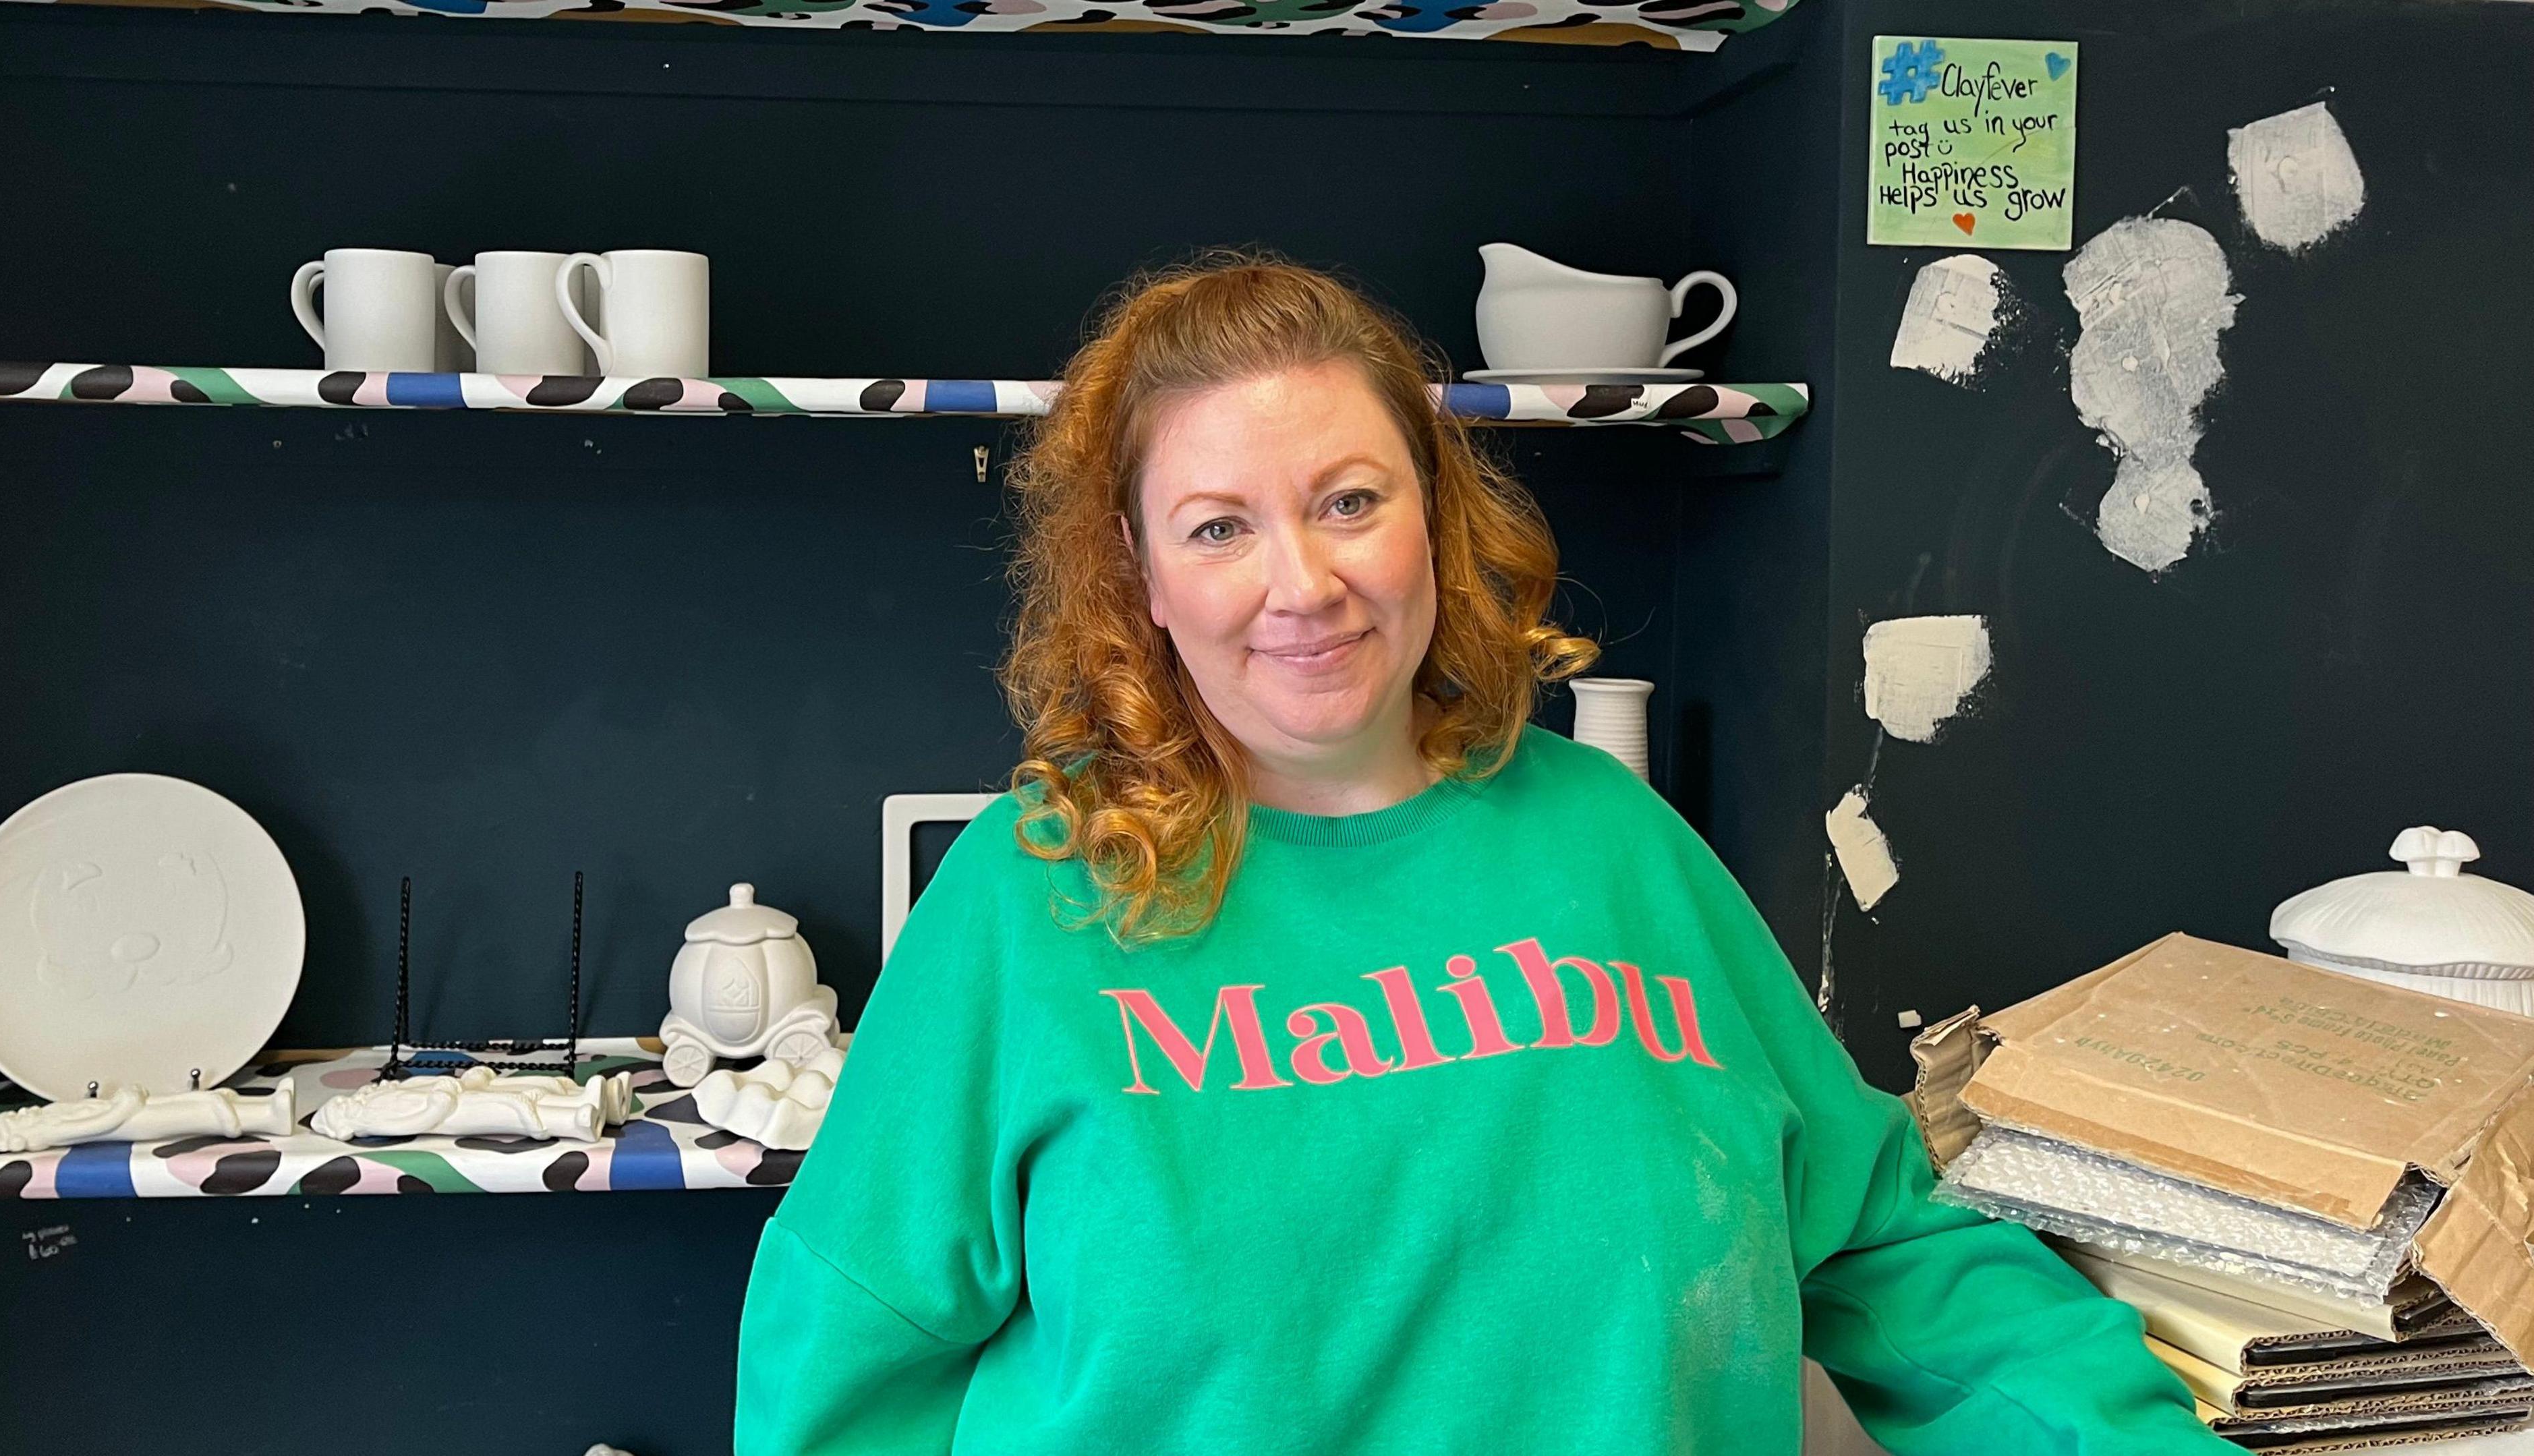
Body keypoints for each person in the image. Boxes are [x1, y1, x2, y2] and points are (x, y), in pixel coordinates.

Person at [733, 256, 2227, 1454]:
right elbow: (840, 1371)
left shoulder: (1609, 843)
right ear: (1140, 577)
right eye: (1217, 527)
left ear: (1435, 522)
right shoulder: (1026, 893)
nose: (1302, 585)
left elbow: (1885, 1252)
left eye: (1349, 502)